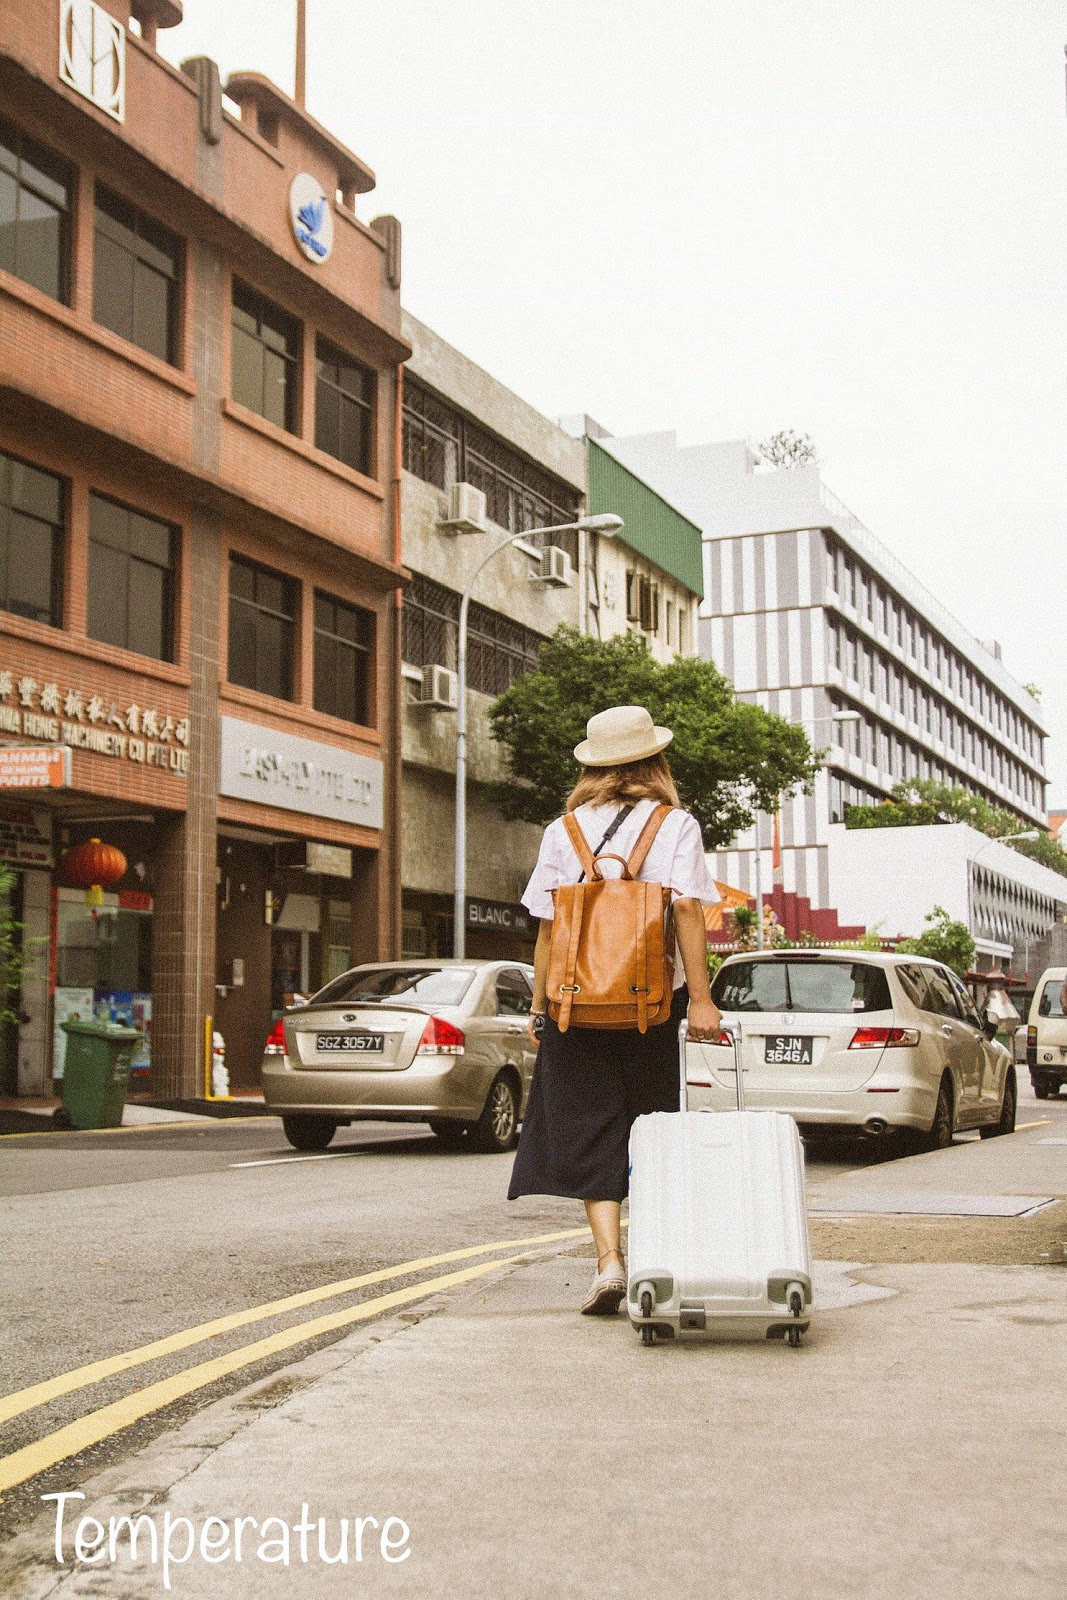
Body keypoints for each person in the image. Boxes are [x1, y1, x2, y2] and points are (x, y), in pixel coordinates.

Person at [508, 704, 723, 1316]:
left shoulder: (564, 830)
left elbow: (548, 926)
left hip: (575, 1006)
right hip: (648, 1007)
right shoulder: (675, 824)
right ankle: (651, 1254)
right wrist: (702, 1001)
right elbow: (686, 911)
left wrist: (541, 1007)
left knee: (586, 1125)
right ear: (654, 760)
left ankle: (608, 1261)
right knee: (647, 1125)